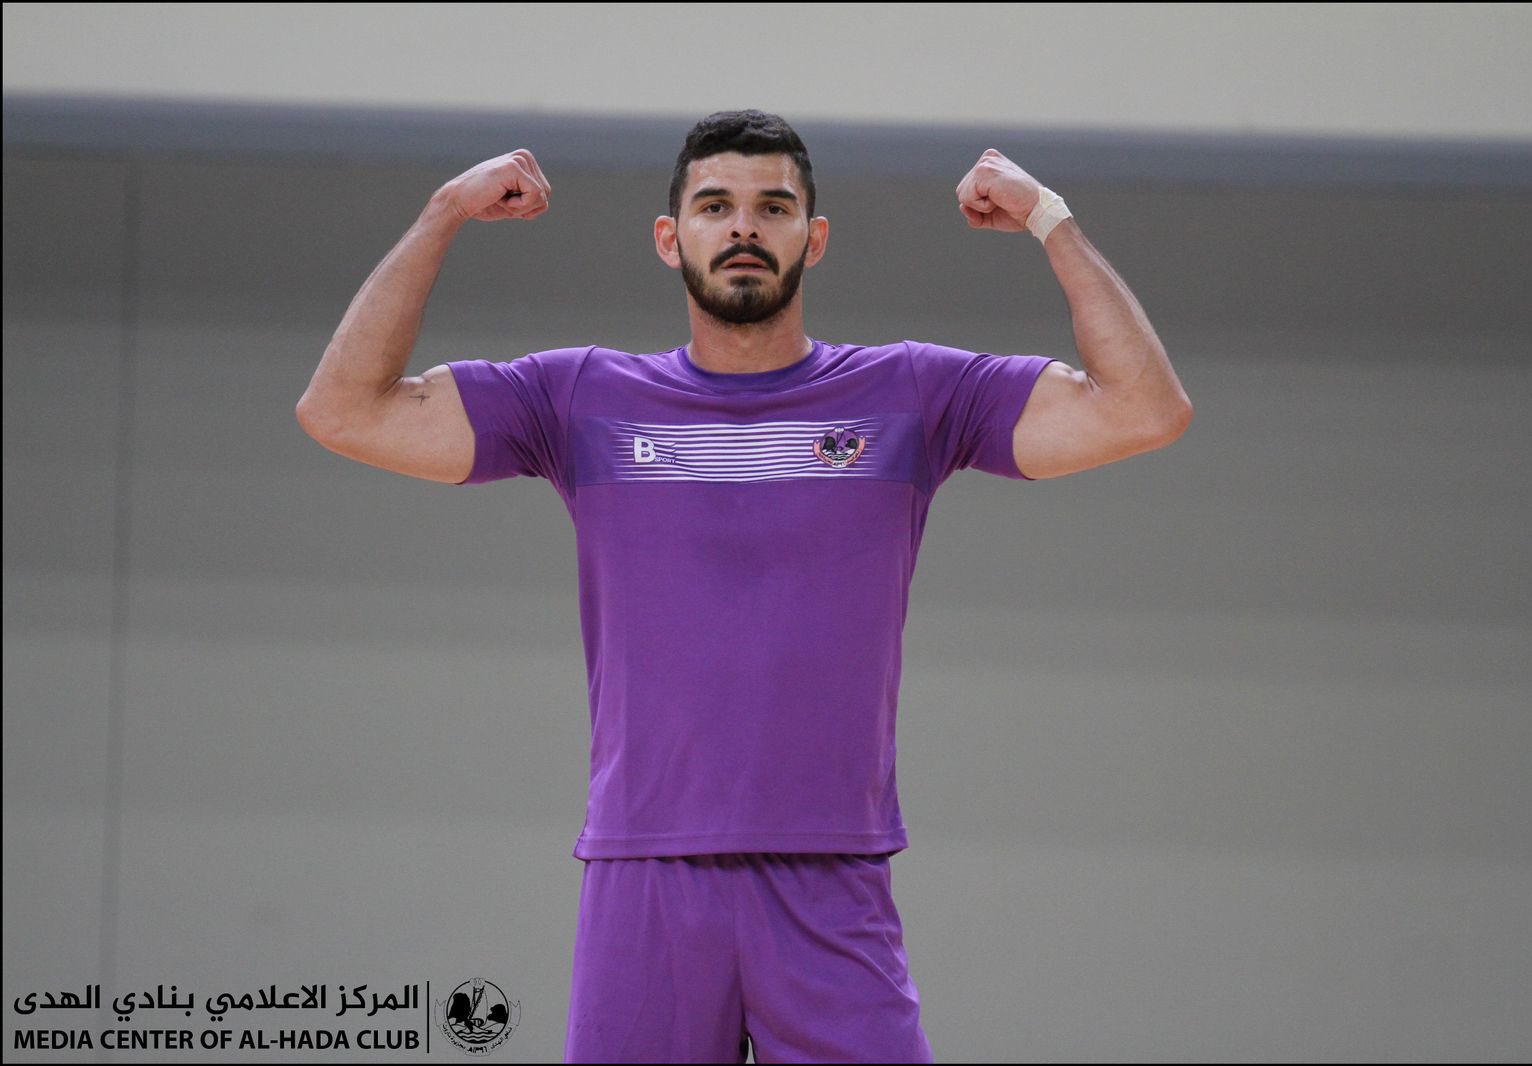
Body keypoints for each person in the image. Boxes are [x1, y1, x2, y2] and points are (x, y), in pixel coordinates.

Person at [296, 109, 1191, 1064]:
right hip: (646, 876)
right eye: (715, 205)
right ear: (669, 237)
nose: (745, 228)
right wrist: (441, 213)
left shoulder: (912, 395)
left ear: (815, 236)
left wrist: (1049, 217)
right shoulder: (579, 400)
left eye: (774, 207)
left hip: (831, 878)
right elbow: (344, 409)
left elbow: (1144, 408)